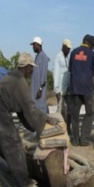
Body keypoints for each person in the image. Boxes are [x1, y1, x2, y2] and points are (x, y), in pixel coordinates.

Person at [0, 52, 58, 187]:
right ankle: (24, 182)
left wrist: (32, 126)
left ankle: (7, 179)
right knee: (13, 144)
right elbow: (29, 108)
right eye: (31, 67)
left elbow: (21, 111)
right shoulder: (20, 81)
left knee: (5, 143)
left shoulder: (12, 75)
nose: (32, 71)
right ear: (26, 67)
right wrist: (45, 119)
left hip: (2, 113)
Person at [69, 34, 94, 146]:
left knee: (75, 115)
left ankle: (75, 140)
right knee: (89, 113)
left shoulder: (73, 52)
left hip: (75, 88)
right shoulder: (91, 54)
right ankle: (84, 139)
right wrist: (93, 92)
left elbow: (70, 69)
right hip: (87, 88)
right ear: (90, 44)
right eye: (93, 46)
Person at [53, 39, 72, 136]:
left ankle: (66, 130)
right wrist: (56, 90)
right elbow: (56, 73)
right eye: (67, 49)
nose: (68, 51)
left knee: (67, 111)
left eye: (69, 49)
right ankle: (56, 130)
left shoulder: (67, 58)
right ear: (63, 47)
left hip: (66, 90)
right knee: (59, 111)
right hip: (60, 89)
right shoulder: (58, 57)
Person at [30, 36, 49, 113]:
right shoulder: (37, 56)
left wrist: (40, 90)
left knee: (41, 108)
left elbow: (43, 75)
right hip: (35, 88)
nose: (33, 47)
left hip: (39, 90)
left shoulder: (44, 57)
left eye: (34, 45)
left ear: (38, 44)